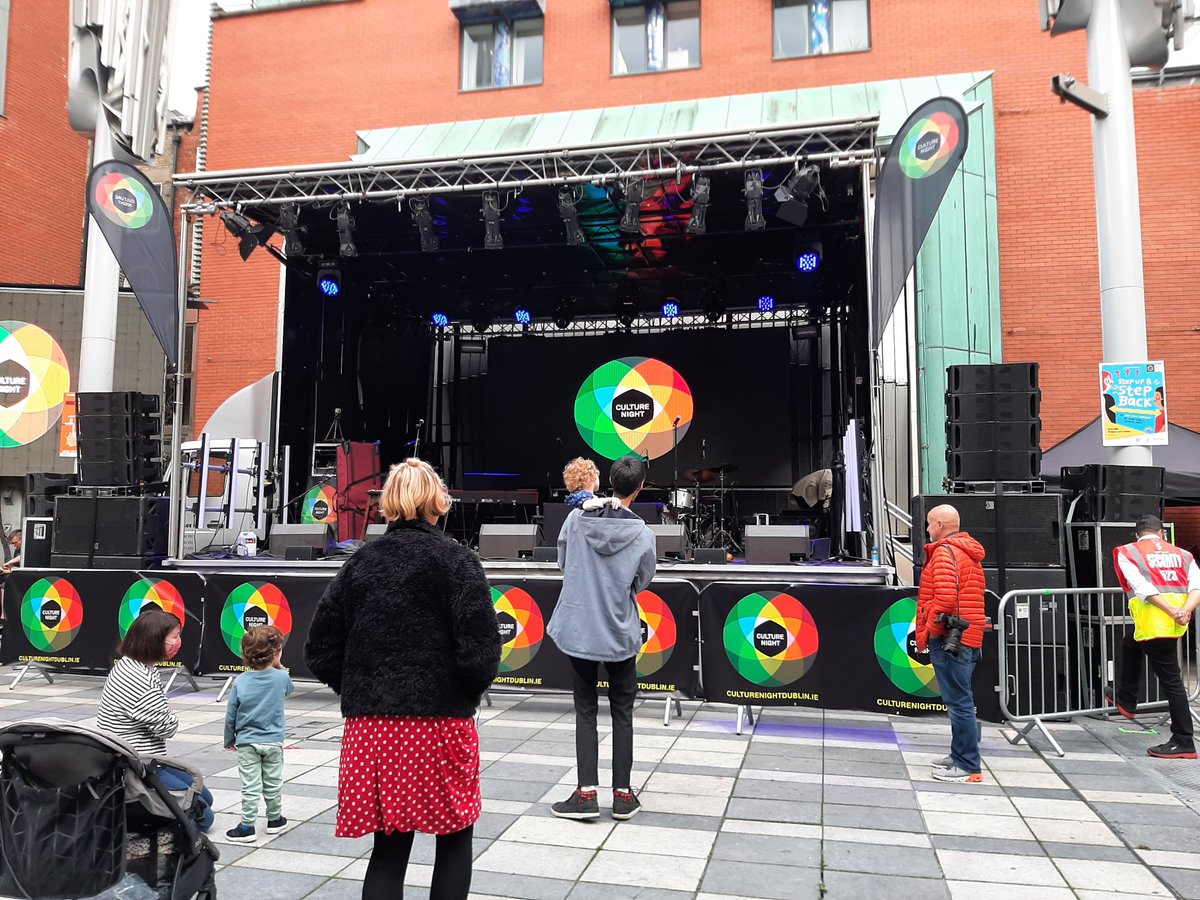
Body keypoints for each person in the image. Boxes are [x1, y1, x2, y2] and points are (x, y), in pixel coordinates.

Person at [305, 458, 500, 900]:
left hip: (373, 730)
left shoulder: (359, 564)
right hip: (441, 724)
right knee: (455, 836)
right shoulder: (459, 561)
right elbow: (481, 654)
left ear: (388, 503)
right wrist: (461, 694)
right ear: (437, 502)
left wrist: (363, 689)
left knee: (389, 847)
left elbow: (319, 651)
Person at [547, 455, 657, 821]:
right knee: (622, 711)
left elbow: (565, 564)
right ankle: (623, 795)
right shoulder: (643, 534)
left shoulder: (575, 521)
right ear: (639, 488)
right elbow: (642, 580)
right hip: (619, 631)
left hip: (580, 627)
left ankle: (586, 794)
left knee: (585, 709)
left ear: (607, 481)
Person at [96, 608, 214, 831]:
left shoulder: (132, 665)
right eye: (175, 637)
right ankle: (143, 818)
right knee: (204, 818)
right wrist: (169, 716)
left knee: (204, 797)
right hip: (136, 765)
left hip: (146, 758)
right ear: (155, 640)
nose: (178, 642)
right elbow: (168, 727)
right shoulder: (137, 679)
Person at [1108, 515, 1200, 759]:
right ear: (1161, 533)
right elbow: (1196, 587)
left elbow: (1142, 588)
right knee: (1130, 643)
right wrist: (1184, 611)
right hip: (1173, 622)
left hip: (1154, 622)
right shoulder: (1183, 555)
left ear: (1137, 534)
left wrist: (1172, 611)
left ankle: (1184, 741)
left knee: (1172, 682)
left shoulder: (1128, 552)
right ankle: (1126, 700)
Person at [914, 503, 987, 784]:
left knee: (959, 702)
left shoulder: (945, 552)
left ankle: (967, 765)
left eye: (929, 523)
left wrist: (931, 629)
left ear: (940, 525)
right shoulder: (967, 551)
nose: (927, 529)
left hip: (950, 638)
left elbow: (944, 598)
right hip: (965, 635)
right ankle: (959, 756)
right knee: (960, 699)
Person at [223, 624, 294, 843]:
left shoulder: (241, 681)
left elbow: (231, 713)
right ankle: (275, 820)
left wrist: (229, 739)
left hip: (247, 742)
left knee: (250, 786)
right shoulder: (281, 678)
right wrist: (279, 666)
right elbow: (290, 689)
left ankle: (247, 826)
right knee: (273, 783)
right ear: (276, 652)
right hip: (273, 742)